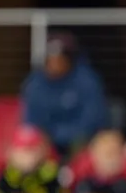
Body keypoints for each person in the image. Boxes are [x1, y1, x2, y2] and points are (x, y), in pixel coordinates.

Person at [21, 32, 109, 160]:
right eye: (50, 59)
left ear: (69, 59)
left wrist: (60, 135)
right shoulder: (35, 83)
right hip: (46, 144)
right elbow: (30, 121)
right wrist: (43, 138)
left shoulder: (87, 80)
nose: (54, 64)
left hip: (80, 141)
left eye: (59, 58)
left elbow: (92, 121)